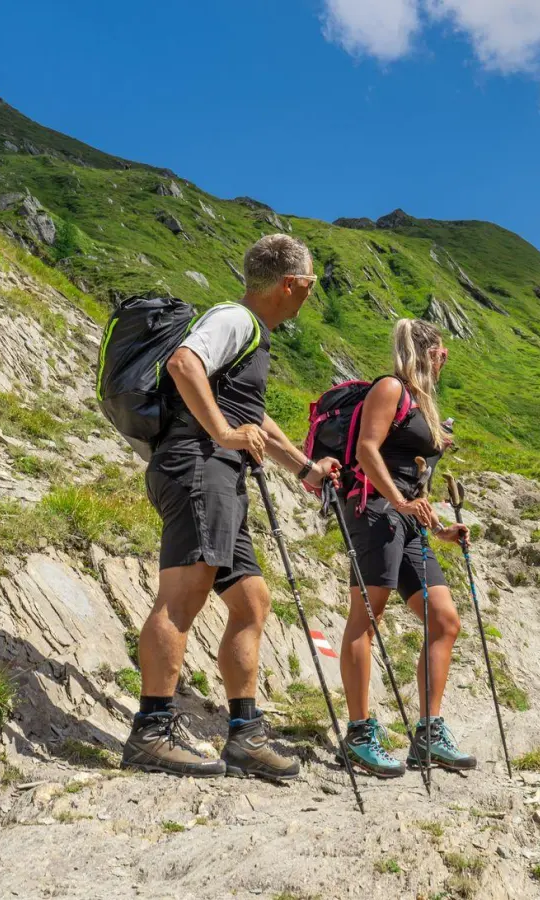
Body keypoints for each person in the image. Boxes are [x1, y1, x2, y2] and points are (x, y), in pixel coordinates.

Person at [123, 234, 340, 781]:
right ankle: (151, 732)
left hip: (217, 474)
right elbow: (183, 363)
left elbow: (254, 417)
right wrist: (222, 431)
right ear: (290, 283)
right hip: (198, 467)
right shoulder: (234, 319)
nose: (311, 295)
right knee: (183, 595)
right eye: (310, 285)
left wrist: (306, 470)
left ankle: (244, 736)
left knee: (251, 600)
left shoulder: (252, 335)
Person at [336, 318, 474, 777]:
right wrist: (397, 501)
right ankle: (359, 733)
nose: (446, 358)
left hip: (408, 522)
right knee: (366, 618)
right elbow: (366, 451)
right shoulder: (391, 389)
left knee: (445, 620)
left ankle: (428, 733)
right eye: (441, 350)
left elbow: (413, 478)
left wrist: (437, 529)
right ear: (425, 350)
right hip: (375, 513)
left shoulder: (421, 402)